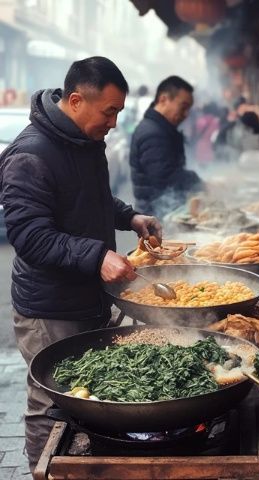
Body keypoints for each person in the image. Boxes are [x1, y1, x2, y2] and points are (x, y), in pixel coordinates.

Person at [0, 56, 162, 473]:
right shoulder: (30, 156)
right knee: (50, 401)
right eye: (109, 112)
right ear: (75, 101)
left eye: (118, 113)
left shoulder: (85, 142)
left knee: (89, 392)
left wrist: (129, 217)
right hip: (49, 310)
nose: (113, 123)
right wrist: (96, 256)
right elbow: (30, 237)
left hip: (88, 299)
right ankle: (44, 471)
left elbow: (90, 199)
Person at [129, 75, 203, 218]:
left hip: (162, 213)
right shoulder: (152, 133)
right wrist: (199, 183)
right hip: (155, 217)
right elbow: (165, 176)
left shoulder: (160, 128)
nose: (186, 114)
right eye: (183, 107)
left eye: (189, 109)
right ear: (163, 99)